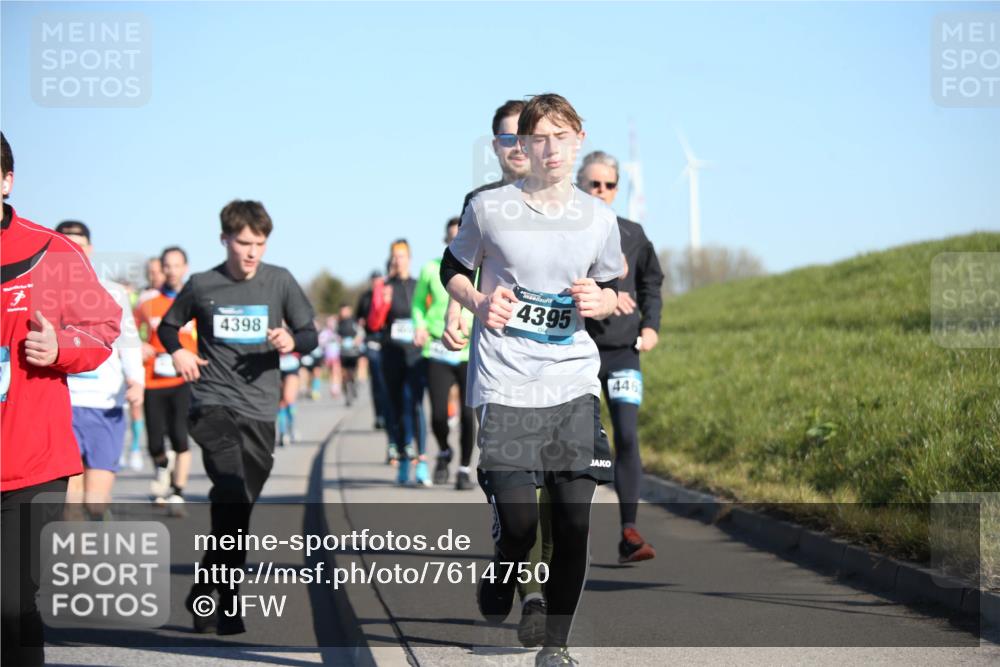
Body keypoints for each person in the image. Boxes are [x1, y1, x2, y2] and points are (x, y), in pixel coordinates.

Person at [441, 94, 624, 666]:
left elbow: (614, 286)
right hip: (507, 382)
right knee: (520, 526)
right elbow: (452, 266)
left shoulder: (600, 218)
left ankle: (556, 647)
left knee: (573, 523)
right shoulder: (490, 208)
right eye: (539, 138)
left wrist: (601, 299)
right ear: (522, 145)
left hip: (571, 383)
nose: (551, 149)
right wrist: (474, 300)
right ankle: (504, 568)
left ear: (578, 138)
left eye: (562, 136)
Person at [158, 199, 318, 635]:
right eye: (244, 243)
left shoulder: (279, 281)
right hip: (212, 404)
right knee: (230, 491)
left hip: (260, 411)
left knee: (238, 509)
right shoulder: (202, 284)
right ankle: (228, 602)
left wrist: (291, 339)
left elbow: (310, 333)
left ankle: (203, 590)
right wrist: (178, 352)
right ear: (224, 239)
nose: (251, 253)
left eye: (260, 244)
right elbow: (168, 326)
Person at [0, 132, 122, 666]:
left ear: (6, 181)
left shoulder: (49, 251)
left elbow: (103, 327)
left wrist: (60, 346)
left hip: (31, 460)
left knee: (8, 597)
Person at [447, 98, 550, 647]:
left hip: (555, 365)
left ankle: (524, 587)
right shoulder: (482, 202)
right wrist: (456, 312)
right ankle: (524, 580)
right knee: (515, 486)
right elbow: (460, 268)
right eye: (508, 138)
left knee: (548, 485)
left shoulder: (566, 205)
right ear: (496, 147)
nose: (519, 147)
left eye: (526, 136)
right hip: (498, 361)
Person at [578, 151, 664, 563]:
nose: (601, 191)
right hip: (580, 355)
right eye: (593, 184)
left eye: (609, 185)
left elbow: (652, 284)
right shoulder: (567, 233)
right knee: (587, 445)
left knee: (627, 435)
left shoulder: (633, 233)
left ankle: (630, 532)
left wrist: (651, 327)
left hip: (625, 354)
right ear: (580, 185)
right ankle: (570, 533)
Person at [56, 221, 145, 520]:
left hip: (105, 403)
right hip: (63, 401)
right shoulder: (43, 291)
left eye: (78, 244)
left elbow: (129, 341)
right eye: (64, 243)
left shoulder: (112, 292)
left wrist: (137, 382)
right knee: (69, 498)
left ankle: (98, 519)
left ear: (89, 249)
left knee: (95, 501)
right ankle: (73, 563)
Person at [412, 217, 476, 489]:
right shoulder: (431, 269)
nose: (456, 242)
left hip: (468, 350)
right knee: (438, 414)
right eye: (452, 237)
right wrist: (420, 327)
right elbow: (417, 305)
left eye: (460, 236)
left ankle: (463, 469)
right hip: (438, 347)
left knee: (466, 414)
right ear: (447, 241)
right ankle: (443, 450)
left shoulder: (480, 270)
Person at [133, 246, 197, 509]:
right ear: (161, 269)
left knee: (180, 436)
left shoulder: (195, 300)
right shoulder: (147, 302)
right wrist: (139, 345)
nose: (171, 271)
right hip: (153, 378)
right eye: (166, 266)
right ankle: (162, 464)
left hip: (184, 379)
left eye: (177, 265)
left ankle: (178, 491)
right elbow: (128, 332)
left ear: (185, 268)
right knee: (156, 441)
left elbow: (203, 337)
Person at [382, 240, 430, 485]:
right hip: (391, 355)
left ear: (409, 259)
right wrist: (382, 302)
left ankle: (421, 462)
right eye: (394, 256)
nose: (397, 260)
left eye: (402, 256)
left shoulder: (417, 286)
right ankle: (402, 459)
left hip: (415, 355)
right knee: (397, 408)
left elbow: (428, 315)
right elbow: (373, 322)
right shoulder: (384, 287)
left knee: (417, 406)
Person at [356, 271, 390, 430]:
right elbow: (358, 317)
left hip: (387, 341)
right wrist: (362, 322)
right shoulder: (365, 297)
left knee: (388, 380)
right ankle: (379, 416)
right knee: (377, 381)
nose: (377, 282)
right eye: (374, 280)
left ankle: (390, 413)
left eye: (379, 280)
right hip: (371, 341)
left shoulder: (388, 293)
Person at [336, 304, 363, 405]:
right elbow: (335, 334)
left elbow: (360, 333)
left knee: (352, 372)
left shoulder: (354, 321)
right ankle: (347, 395)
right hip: (343, 352)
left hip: (353, 352)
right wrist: (340, 340)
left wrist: (356, 340)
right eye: (342, 311)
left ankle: (353, 384)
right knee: (344, 375)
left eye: (345, 311)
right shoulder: (339, 322)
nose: (343, 313)